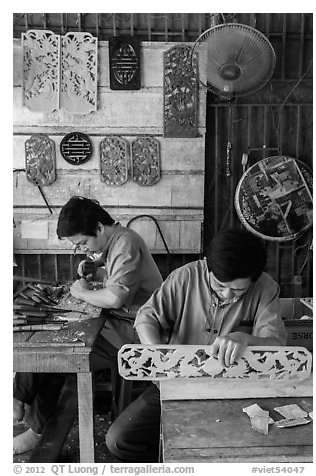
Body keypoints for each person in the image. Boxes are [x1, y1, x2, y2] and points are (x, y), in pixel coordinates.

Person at [105, 229, 288, 462]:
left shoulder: (265, 287)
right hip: (176, 381)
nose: (227, 294)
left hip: (236, 389)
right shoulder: (185, 277)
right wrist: (160, 357)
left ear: (254, 278)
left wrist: (246, 339)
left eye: (239, 290)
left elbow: (276, 346)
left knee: (243, 446)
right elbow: (146, 318)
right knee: (119, 440)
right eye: (220, 285)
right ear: (208, 267)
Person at [13, 196, 163, 455]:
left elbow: (116, 297)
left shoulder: (125, 243)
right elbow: (117, 273)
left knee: (59, 356)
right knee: (52, 344)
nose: (83, 249)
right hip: (120, 321)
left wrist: (81, 293)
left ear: (99, 227)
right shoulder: (116, 241)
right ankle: (20, 401)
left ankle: (34, 427)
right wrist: (96, 267)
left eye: (83, 242)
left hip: (137, 331)